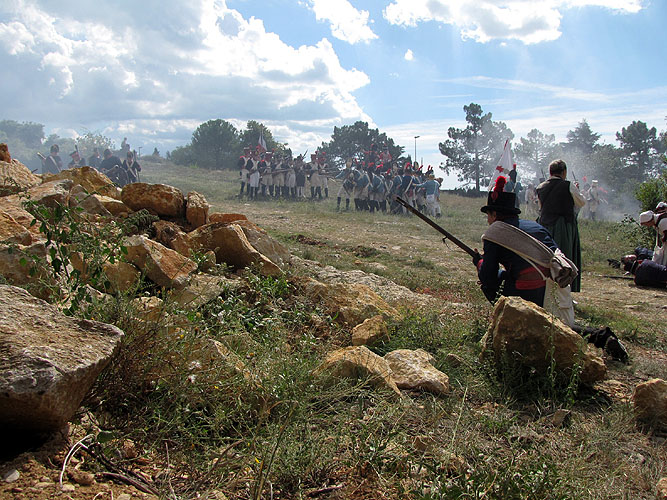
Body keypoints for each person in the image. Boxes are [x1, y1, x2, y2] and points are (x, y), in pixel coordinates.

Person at [536, 159, 586, 292]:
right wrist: (577, 190)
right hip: (563, 226)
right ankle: (564, 290)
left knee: (546, 259)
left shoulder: (541, 187)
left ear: (550, 172)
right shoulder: (568, 185)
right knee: (564, 258)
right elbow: (581, 202)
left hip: (545, 226)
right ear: (564, 172)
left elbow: (540, 208)